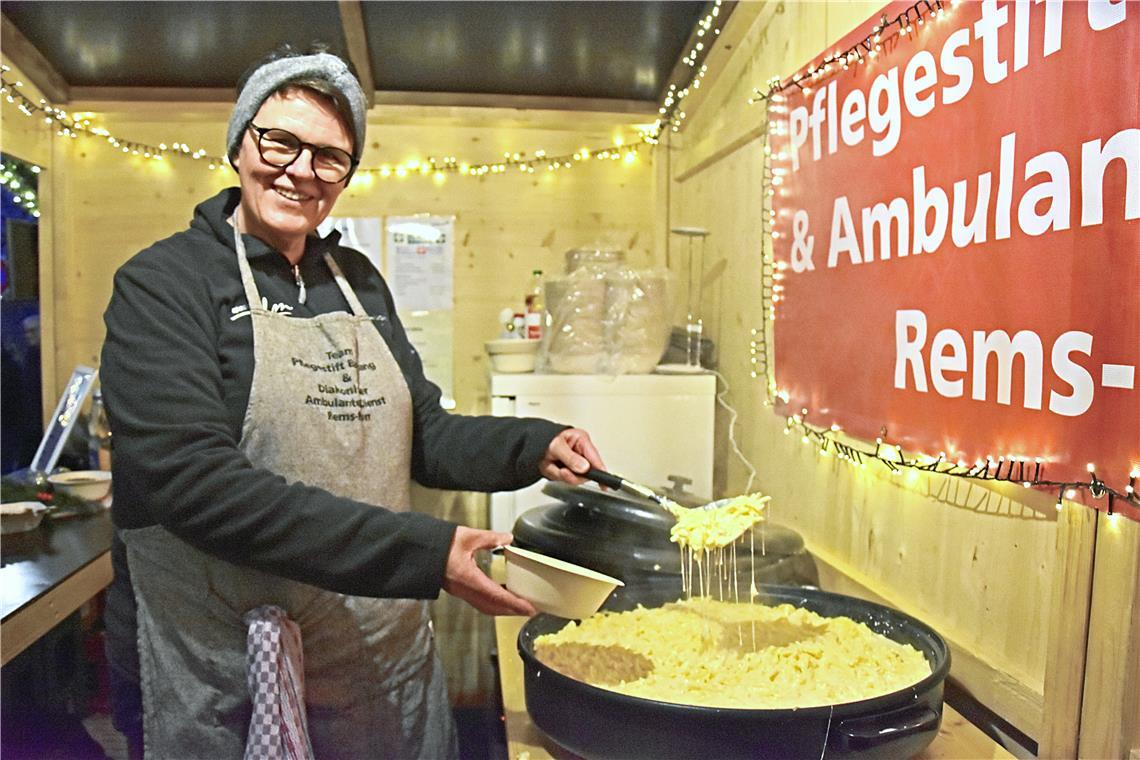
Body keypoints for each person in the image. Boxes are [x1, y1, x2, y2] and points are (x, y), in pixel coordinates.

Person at [100, 44, 605, 759]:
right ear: (241, 142)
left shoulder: (356, 280)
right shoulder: (165, 283)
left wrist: (534, 444)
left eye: (330, 157)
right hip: (228, 656)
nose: (301, 171)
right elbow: (190, 483)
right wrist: (428, 553)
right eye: (280, 141)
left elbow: (420, 430)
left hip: (369, 651)